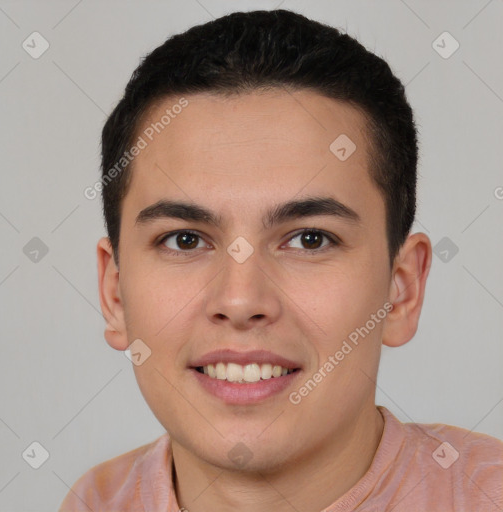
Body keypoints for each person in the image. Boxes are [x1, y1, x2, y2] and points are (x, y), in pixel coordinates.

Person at [60, 9, 503, 511]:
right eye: (184, 240)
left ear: (401, 290)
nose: (241, 300)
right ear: (114, 293)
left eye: (310, 239)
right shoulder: (94, 500)